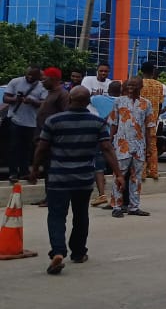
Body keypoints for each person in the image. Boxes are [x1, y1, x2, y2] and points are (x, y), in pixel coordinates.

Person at [29, 87, 124, 274]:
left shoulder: (54, 121)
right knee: (81, 216)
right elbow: (107, 148)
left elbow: (42, 148)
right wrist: (118, 174)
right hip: (83, 179)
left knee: (56, 216)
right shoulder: (97, 123)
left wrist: (34, 169)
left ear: (69, 99)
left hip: (58, 178)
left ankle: (57, 251)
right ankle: (79, 253)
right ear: (88, 102)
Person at [107, 77, 154, 217]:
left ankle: (134, 207)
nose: (131, 88)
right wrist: (109, 141)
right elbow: (113, 123)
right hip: (122, 145)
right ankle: (116, 206)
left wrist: (149, 147)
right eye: (129, 85)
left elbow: (149, 126)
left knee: (136, 178)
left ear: (141, 86)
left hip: (139, 146)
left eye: (134, 85)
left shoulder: (147, 104)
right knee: (119, 175)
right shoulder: (119, 101)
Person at [4, 66, 46, 181]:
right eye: (28, 74)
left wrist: (32, 101)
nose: (29, 77)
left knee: (27, 149)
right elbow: (5, 98)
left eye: (32, 75)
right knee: (13, 147)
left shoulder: (42, 87)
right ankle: (12, 173)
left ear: (38, 76)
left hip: (31, 123)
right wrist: (16, 99)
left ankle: (24, 172)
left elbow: (44, 103)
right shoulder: (15, 81)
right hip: (15, 120)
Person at [89, 81, 122, 207]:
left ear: (108, 89)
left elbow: (87, 99)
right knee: (118, 167)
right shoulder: (123, 102)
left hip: (102, 137)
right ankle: (117, 196)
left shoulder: (98, 99)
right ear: (121, 91)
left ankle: (102, 194)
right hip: (119, 138)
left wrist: (96, 95)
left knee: (99, 167)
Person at [138, 62, 166, 180]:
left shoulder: (137, 84)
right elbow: (161, 102)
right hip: (153, 121)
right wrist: (160, 112)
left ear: (141, 71)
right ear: (153, 72)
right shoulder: (159, 85)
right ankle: (153, 171)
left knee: (140, 146)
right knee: (152, 146)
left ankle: (141, 172)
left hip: (138, 120)